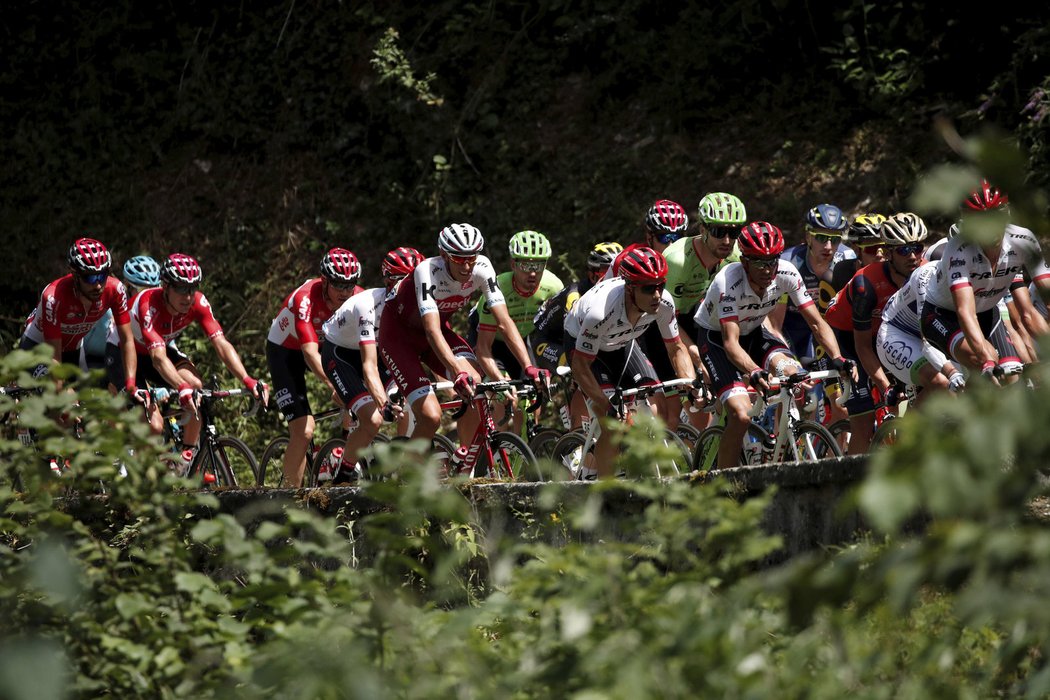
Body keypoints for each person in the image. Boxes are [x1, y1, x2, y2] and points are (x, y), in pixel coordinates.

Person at [377, 224, 551, 468]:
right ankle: (407, 474)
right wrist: (455, 371)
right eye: (460, 260)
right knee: (431, 415)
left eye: (472, 259)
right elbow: (431, 329)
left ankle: (466, 463)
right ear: (445, 254)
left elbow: (504, 321)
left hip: (437, 333)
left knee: (475, 386)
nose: (467, 267)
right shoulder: (426, 271)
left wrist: (529, 366)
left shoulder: (483, 268)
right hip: (399, 338)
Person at [693, 222, 855, 469]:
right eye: (759, 262)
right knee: (740, 414)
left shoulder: (787, 273)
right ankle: (727, 485)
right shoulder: (727, 282)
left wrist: (838, 357)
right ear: (745, 261)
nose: (768, 269)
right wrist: (754, 370)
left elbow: (817, 323)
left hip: (756, 332)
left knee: (797, 376)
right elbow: (730, 343)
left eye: (772, 261)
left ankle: (782, 447)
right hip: (717, 338)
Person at [564, 246, 696, 478]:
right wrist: (605, 405)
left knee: (657, 408)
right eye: (648, 288)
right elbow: (580, 367)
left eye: (660, 286)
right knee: (611, 423)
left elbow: (675, 347)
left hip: (623, 342)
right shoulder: (601, 312)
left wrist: (691, 383)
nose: (656, 294)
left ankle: (649, 476)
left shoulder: (663, 303)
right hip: (586, 351)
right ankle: (607, 491)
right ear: (630, 289)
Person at [131, 254, 268, 467]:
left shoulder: (198, 302)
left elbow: (221, 343)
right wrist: (180, 386)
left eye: (193, 288)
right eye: (182, 289)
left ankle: (186, 456)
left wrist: (246, 379)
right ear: (165, 287)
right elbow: (158, 359)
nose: (188, 296)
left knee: (195, 386)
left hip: (158, 350)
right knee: (155, 425)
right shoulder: (148, 304)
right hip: (127, 354)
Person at [921, 180, 1050, 384]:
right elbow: (965, 312)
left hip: (986, 312)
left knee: (1012, 376)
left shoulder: (1023, 240)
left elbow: (1031, 311)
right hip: (943, 314)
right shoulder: (958, 249)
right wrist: (985, 360)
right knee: (985, 360)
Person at [824, 212, 929, 454]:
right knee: (863, 422)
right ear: (889, 253)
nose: (912, 256)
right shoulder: (865, 284)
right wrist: (884, 384)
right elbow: (862, 346)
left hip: (890, 333)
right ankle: (852, 484)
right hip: (848, 338)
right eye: (903, 250)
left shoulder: (925, 272)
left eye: (917, 248)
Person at [318, 247, 424, 483]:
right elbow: (369, 366)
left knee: (407, 400)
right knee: (374, 419)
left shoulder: (415, 306)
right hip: (340, 353)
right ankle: (344, 473)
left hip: (376, 349)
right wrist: (383, 403)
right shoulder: (368, 306)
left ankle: (399, 469)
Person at [266, 248, 363, 487]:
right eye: (339, 285)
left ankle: (340, 453)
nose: (345, 292)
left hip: (329, 345)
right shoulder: (306, 298)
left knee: (360, 399)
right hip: (287, 352)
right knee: (304, 431)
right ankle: (288, 503)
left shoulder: (358, 296)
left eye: (350, 285)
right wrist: (333, 384)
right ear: (325, 281)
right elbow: (309, 352)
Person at [19, 238, 144, 405]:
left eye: (102, 275)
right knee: (63, 406)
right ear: (75, 275)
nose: (98, 285)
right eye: (90, 278)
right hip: (39, 349)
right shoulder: (53, 297)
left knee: (89, 406)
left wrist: (130, 385)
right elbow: (54, 357)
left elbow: (127, 341)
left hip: (74, 351)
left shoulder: (116, 290)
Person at [662, 191, 746, 429]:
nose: (727, 241)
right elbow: (669, 320)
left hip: (698, 317)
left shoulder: (735, 254)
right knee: (690, 401)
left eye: (734, 232)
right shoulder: (678, 261)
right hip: (664, 321)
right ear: (703, 229)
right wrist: (696, 356)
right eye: (720, 232)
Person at [471, 230, 563, 434]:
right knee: (503, 400)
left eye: (539, 265)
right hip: (492, 346)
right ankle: (494, 458)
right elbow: (483, 347)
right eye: (526, 265)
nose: (533, 272)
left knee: (531, 401)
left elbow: (556, 332)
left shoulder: (553, 286)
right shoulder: (497, 288)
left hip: (524, 342)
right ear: (513, 264)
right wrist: (497, 377)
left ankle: (522, 457)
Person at [531, 241, 622, 429]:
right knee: (578, 370)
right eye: (605, 272)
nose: (613, 277)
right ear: (591, 273)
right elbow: (572, 338)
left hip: (576, 337)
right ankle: (576, 428)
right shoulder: (576, 295)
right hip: (548, 340)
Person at [877, 260, 964, 396]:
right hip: (897, 332)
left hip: (933, 333)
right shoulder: (925, 280)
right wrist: (952, 373)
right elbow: (927, 342)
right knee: (942, 382)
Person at [97, 255, 162, 392]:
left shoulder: (154, 311)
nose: (147, 297)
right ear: (127, 288)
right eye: (142, 290)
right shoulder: (108, 311)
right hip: (101, 365)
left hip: (135, 364)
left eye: (153, 291)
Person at [831, 214, 887, 291]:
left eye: (885, 248)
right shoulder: (842, 272)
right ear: (856, 249)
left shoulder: (899, 271)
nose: (880, 255)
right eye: (872, 249)